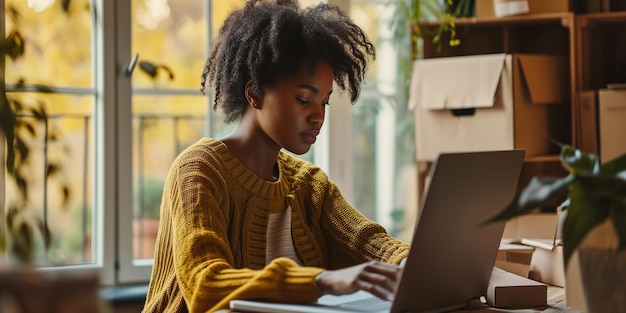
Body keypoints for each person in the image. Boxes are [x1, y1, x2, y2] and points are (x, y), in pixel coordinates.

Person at [142, 1, 410, 312]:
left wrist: (411, 263)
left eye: (324, 102)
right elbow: (206, 283)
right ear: (254, 93)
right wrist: (322, 281)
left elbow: (369, 243)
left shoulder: (310, 186)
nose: (318, 116)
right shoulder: (199, 171)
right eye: (303, 99)